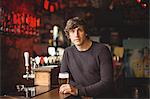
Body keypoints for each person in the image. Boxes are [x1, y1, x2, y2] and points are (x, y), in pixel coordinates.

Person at [59, 17, 114, 98]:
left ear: (86, 33)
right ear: (69, 35)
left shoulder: (102, 50)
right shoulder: (68, 52)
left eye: (79, 30)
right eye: (72, 31)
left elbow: (107, 82)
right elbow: (66, 79)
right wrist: (81, 92)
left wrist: (79, 91)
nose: (76, 35)